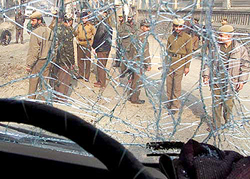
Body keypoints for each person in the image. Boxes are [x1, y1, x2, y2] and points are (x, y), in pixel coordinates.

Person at [203, 25, 250, 130]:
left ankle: (228, 121)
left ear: (229, 36)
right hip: (216, 80)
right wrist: (206, 75)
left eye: (221, 35)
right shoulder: (215, 47)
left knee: (228, 104)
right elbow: (208, 62)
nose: (218, 37)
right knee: (216, 103)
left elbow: (245, 66)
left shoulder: (240, 49)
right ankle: (216, 124)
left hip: (231, 82)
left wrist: (241, 81)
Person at [165, 18, 193, 114]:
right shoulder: (170, 37)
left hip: (180, 63)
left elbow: (189, 53)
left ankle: (175, 106)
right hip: (170, 62)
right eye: (176, 26)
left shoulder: (187, 37)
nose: (178, 28)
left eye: (180, 26)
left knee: (176, 85)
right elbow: (167, 51)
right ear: (173, 26)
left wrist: (187, 66)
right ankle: (169, 102)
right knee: (169, 84)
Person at [26, 11, 53, 100]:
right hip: (48, 60)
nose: (31, 23)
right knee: (45, 83)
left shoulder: (35, 33)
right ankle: (44, 103)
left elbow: (34, 51)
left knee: (33, 83)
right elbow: (55, 47)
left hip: (38, 62)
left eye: (33, 20)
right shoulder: (50, 31)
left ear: (39, 21)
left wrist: (29, 65)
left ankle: (30, 102)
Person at [52, 14, 76, 101]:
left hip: (56, 58)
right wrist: (72, 62)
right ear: (69, 21)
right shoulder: (68, 31)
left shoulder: (56, 29)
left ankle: (55, 95)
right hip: (65, 59)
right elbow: (69, 48)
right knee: (65, 79)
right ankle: (62, 97)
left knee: (57, 76)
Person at [128, 19, 151, 104]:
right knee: (138, 81)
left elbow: (130, 48)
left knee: (134, 79)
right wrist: (148, 63)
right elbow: (145, 51)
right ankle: (135, 98)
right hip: (139, 62)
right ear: (142, 27)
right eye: (147, 27)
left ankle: (131, 96)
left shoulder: (135, 34)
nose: (148, 29)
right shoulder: (142, 36)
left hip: (133, 60)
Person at [92, 11, 113, 88]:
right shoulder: (109, 26)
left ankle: (101, 82)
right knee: (103, 65)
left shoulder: (102, 26)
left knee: (100, 66)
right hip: (107, 48)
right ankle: (102, 79)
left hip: (102, 48)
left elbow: (98, 36)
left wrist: (94, 45)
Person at [75, 12, 96, 82]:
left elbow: (95, 34)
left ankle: (87, 76)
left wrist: (92, 43)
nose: (84, 19)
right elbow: (76, 33)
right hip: (80, 44)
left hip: (87, 44)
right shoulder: (79, 25)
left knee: (87, 60)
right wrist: (77, 39)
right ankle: (80, 74)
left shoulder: (90, 26)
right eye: (83, 18)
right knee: (80, 60)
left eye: (85, 18)